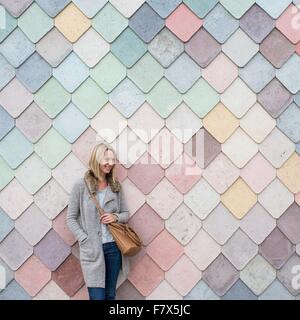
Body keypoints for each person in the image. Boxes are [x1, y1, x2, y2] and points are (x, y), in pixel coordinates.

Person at [66, 142, 130, 300]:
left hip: (113, 249)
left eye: (113, 159)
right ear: (96, 159)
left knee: (110, 296)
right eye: (106, 159)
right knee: (97, 298)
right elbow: (71, 218)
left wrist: (115, 217)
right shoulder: (81, 186)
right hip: (92, 251)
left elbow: (125, 213)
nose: (110, 163)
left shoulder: (115, 186)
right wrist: (84, 238)